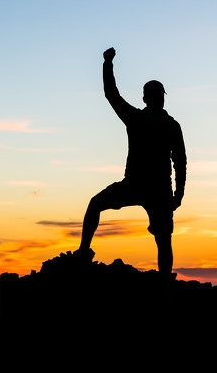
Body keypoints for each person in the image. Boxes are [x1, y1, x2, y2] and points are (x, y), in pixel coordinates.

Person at [75, 47, 186, 278]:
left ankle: (83, 253)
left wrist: (107, 63)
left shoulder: (137, 118)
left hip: (135, 185)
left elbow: (111, 93)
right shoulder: (171, 125)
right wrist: (178, 195)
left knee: (95, 204)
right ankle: (164, 291)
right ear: (161, 98)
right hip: (159, 190)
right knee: (164, 241)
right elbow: (180, 163)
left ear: (146, 98)